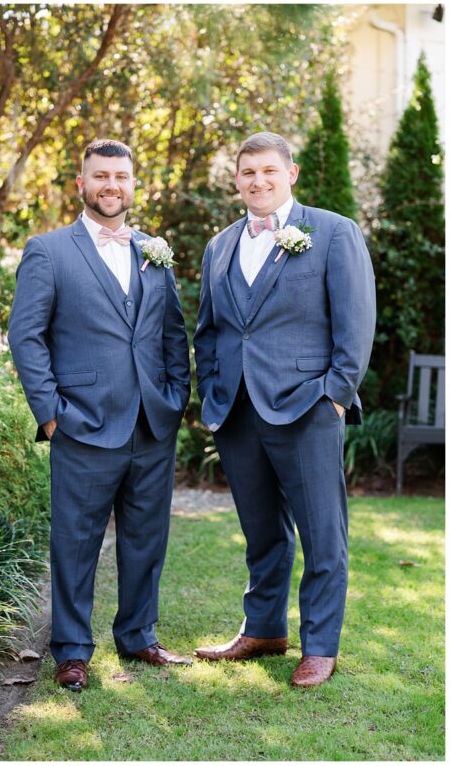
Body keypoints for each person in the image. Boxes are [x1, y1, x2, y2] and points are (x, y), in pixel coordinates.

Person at [192, 131, 375, 687]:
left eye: (269, 171)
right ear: (237, 181)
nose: (259, 181)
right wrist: (214, 392)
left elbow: (356, 322)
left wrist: (336, 395)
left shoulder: (333, 232)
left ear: (290, 174)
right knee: (262, 531)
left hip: (308, 406)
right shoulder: (219, 245)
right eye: (248, 173)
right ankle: (265, 628)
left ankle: (320, 645)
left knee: (323, 533)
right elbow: (209, 330)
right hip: (238, 413)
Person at [8, 139, 191, 692]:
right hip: (81, 423)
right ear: (81, 183)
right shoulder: (49, 251)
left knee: (146, 538)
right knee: (75, 541)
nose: (112, 185)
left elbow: (171, 334)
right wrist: (49, 415)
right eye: (101, 176)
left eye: (122, 176)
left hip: (151, 425)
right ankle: (70, 650)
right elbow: (26, 335)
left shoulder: (154, 251)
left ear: (134, 184)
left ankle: (138, 635)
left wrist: (174, 398)